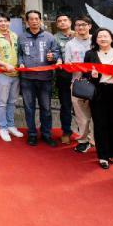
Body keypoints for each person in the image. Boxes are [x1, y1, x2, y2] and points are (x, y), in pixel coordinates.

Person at [84, 28, 113, 169]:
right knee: (100, 124)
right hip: (98, 92)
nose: (103, 39)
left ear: (111, 38)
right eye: (100, 36)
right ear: (95, 40)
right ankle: (103, 156)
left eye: (106, 36)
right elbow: (85, 73)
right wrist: (92, 75)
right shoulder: (90, 54)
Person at [18, 10, 60, 147]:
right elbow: (19, 54)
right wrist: (20, 63)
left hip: (45, 78)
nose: (34, 21)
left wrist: (53, 57)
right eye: (31, 19)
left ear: (40, 20)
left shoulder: (49, 37)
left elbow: (57, 53)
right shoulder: (21, 37)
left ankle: (46, 134)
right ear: (27, 21)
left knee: (46, 108)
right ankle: (32, 134)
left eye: (37, 19)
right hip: (27, 79)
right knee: (29, 108)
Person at [0, 13, 23, 142]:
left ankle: (11, 125)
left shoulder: (15, 35)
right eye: (0, 21)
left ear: (9, 22)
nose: (3, 23)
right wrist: (5, 65)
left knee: (12, 101)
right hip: (1, 73)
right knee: (2, 102)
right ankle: (2, 127)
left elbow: (19, 52)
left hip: (15, 73)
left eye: (6, 21)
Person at [64, 16, 96, 153]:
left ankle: (95, 139)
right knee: (81, 115)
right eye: (78, 25)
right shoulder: (70, 44)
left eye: (84, 24)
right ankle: (83, 140)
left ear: (90, 26)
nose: (81, 27)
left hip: (98, 83)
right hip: (78, 84)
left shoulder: (97, 40)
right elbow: (67, 64)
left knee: (98, 113)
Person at [53, 13, 75, 144]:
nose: (62, 22)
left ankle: (85, 134)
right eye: (59, 21)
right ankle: (66, 131)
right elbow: (54, 53)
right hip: (64, 77)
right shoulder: (54, 38)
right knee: (66, 106)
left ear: (70, 22)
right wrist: (56, 59)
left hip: (81, 76)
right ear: (57, 24)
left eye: (65, 20)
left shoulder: (79, 35)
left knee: (83, 107)